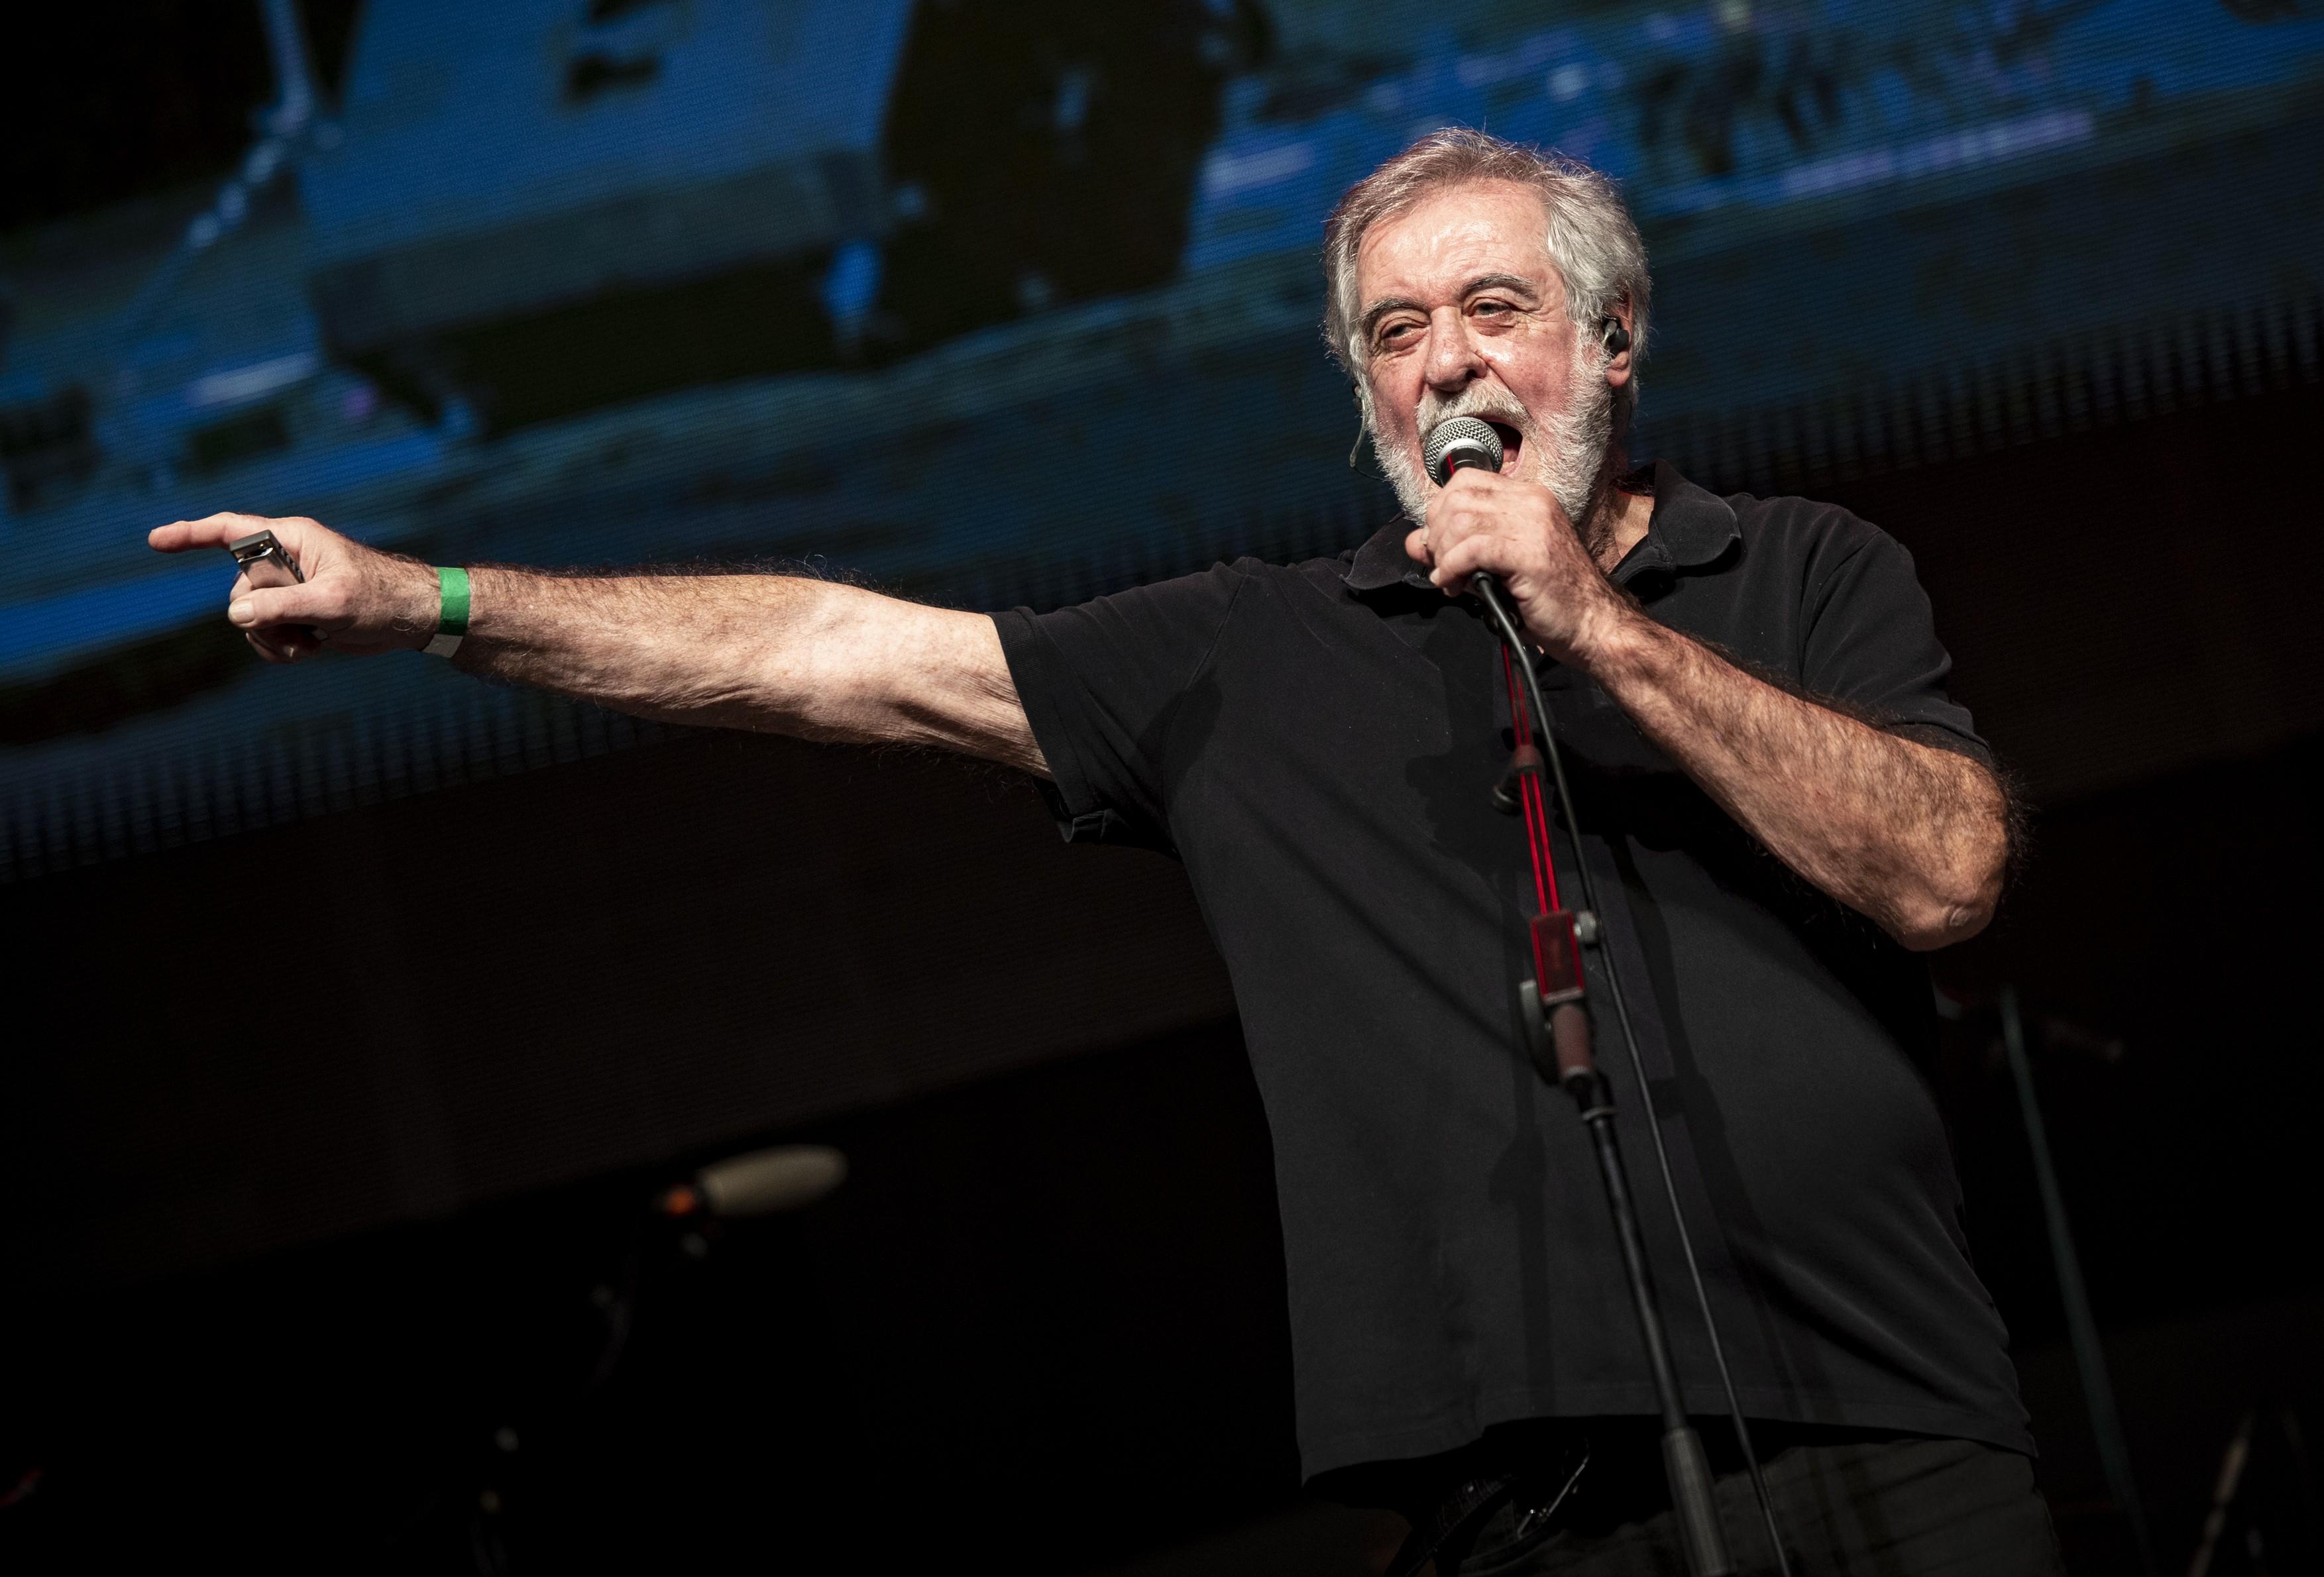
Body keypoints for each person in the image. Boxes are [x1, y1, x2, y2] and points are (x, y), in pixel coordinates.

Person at [148, 130, 2058, 1574]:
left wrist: (1600, 629)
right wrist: (431, 597)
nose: (1446, 368)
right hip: (1525, 1502)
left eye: (1495, 310)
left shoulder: (1799, 572)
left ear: (1612, 342)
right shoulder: (1250, 656)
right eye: (1395, 333)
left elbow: (1945, 874)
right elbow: (825, 651)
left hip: (1891, 1421)